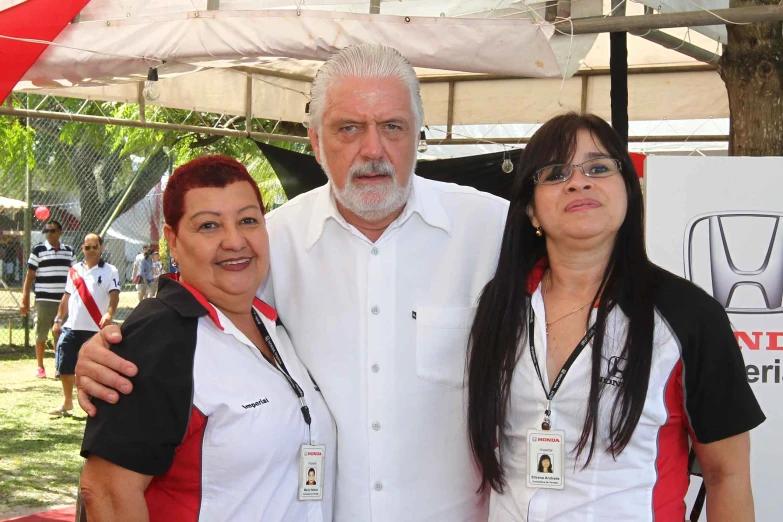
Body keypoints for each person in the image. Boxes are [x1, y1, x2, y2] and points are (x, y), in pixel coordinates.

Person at [75, 43, 509, 521]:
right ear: (315, 143)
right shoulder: (268, 243)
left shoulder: (492, 231)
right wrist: (109, 350)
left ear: (417, 135)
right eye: (349, 128)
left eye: (392, 127)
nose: (372, 149)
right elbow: (193, 326)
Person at [466, 113, 765, 521]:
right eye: (555, 173)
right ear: (531, 211)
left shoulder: (688, 316)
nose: (578, 181)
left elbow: (726, 474)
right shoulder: (500, 307)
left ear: (628, 191)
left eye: (599, 168)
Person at [78, 155, 336, 521]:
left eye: (248, 220)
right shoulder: (160, 337)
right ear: (174, 240)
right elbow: (106, 490)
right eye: (209, 226)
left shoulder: (272, 322)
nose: (234, 241)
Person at [50, 232, 120, 416]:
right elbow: (67, 296)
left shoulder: (110, 270)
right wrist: (58, 319)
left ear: (101, 248)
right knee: (65, 363)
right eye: (87, 247)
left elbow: (114, 295)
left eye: (94, 247)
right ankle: (67, 402)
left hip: (95, 329)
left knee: (94, 368)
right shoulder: (74, 270)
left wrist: (108, 313)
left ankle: (94, 403)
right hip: (71, 326)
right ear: (82, 248)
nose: (90, 251)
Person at [20, 219, 76, 378]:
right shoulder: (38, 250)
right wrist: (24, 298)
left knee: (62, 334)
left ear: (60, 232)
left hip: (64, 301)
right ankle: (40, 366)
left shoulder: (69, 251)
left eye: (52, 231)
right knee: (41, 333)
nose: (49, 234)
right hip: (44, 300)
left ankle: (59, 366)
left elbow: (75, 276)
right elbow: (29, 277)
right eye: (46, 231)